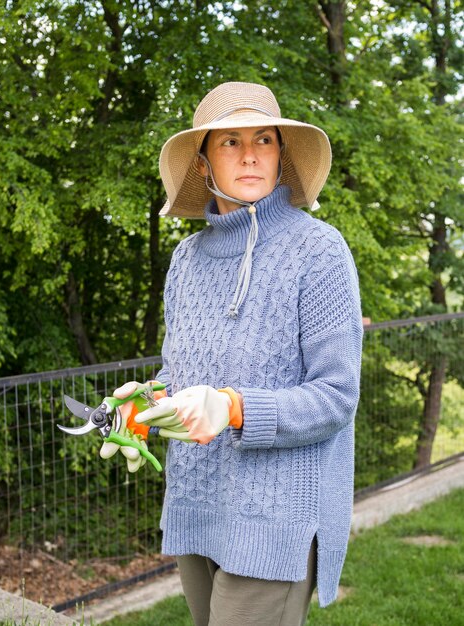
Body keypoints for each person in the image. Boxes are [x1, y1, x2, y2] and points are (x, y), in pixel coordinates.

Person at [101, 81, 363, 625]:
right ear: (202, 163)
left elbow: (336, 397)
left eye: (264, 139)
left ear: (280, 154)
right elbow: (182, 375)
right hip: (197, 503)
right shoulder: (185, 260)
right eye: (229, 141)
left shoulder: (318, 251)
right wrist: (146, 403)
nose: (249, 153)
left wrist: (234, 407)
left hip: (275, 517)